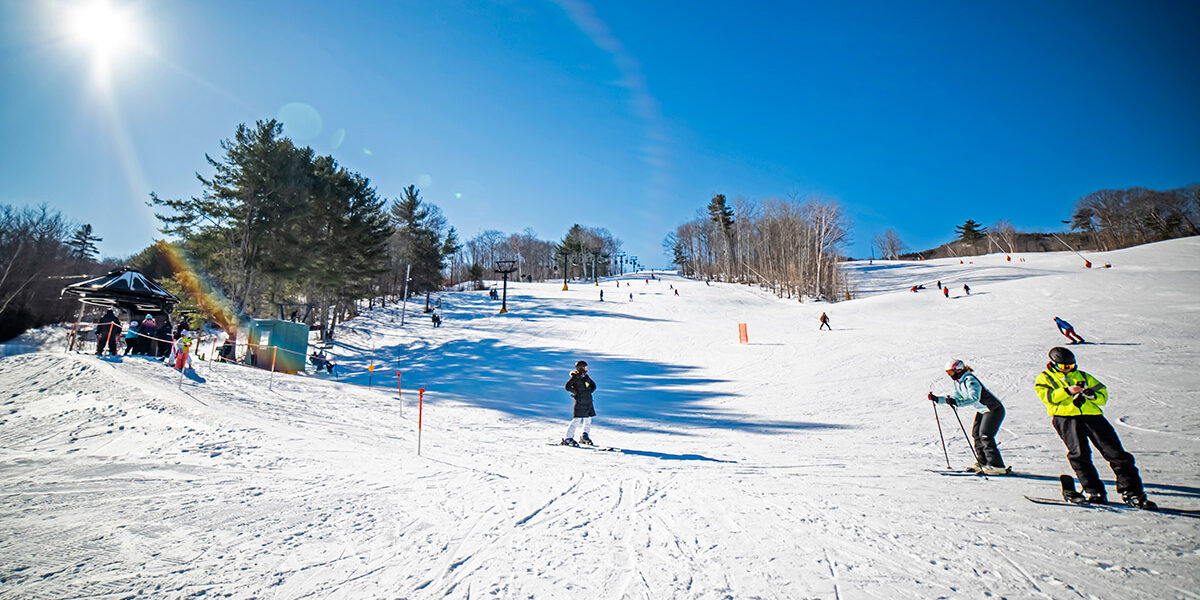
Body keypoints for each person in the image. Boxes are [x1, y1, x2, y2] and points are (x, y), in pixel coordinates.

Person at [1035, 347, 1156, 509]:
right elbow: (1048, 397)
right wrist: (1067, 391)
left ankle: (1132, 492)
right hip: (1066, 418)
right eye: (1064, 367)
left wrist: (1091, 395)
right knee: (1079, 454)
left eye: (1070, 366)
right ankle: (1094, 491)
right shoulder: (1045, 378)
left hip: (1092, 417)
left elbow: (1102, 395)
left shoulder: (1083, 376)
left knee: (1116, 453)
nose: (1067, 370)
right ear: (1054, 364)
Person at [928, 359, 1009, 474]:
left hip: (993, 409)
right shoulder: (959, 382)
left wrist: (957, 403)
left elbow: (973, 398)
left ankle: (997, 466)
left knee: (985, 435)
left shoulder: (970, 380)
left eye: (950, 372)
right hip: (983, 410)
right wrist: (939, 399)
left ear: (958, 370)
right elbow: (957, 396)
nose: (950, 375)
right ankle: (983, 462)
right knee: (976, 434)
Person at [562, 360, 598, 446]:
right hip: (580, 401)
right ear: (581, 368)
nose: (587, 369)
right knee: (577, 420)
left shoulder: (586, 377)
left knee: (588, 419)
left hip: (588, 401)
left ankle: (584, 436)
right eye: (585, 367)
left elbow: (594, 386)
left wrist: (588, 392)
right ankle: (568, 438)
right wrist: (576, 393)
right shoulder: (575, 378)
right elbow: (567, 386)